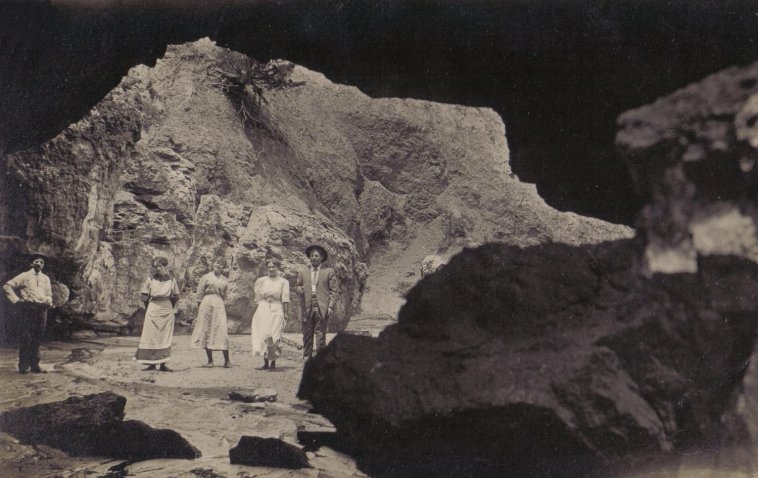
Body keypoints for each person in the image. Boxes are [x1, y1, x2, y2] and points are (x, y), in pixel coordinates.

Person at [3, 255, 53, 374]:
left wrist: (48, 300)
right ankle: (23, 366)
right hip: (28, 309)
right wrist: (17, 300)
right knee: (26, 337)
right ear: (32, 263)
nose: (39, 264)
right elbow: (7, 286)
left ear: (43, 265)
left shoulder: (46, 278)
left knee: (37, 337)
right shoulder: (24, 276)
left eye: (41, 262)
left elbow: (49, 293)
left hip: (42, 309)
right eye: (36, 261)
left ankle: (35, 365)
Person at [135, 256, 180, 372]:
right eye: (156, 266)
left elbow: (175, 297)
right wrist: (150, 309)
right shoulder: (150, 279)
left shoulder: (172, 280)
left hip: (166, 309)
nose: (158, 268)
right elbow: (144, 296)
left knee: (164, 336)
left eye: (160, 266)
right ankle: (152, 364)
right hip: (153, 308)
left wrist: (173, 310)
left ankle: (163, 364)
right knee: (151, 336)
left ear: (165, 266)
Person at [295, 244, 338, 360]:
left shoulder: (328, 272)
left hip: (322, 307)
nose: (313, 257)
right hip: (307, 307)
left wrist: (330, 307)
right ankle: (306, 357)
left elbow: (334, 291)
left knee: (320, 335)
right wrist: (299, 289)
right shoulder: (303, 271)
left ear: (322, 257)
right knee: (307, 333)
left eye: (316, 255)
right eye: (311, 255)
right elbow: (298, 286)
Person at [250, 259, 290, 370]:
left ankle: (273, 362)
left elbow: (285, 298)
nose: (271, 269)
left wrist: (286, 313)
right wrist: (263, 305)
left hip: (277, 308)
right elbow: (258, 296)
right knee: (263, 334)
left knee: (275, 335)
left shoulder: (283, 281)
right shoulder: (261, 280)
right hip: (263, 308)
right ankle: (265, 362)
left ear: (278, 267)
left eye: (273, 267)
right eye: (269, 267)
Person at [191, 259, 231, 368]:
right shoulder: (206, 277)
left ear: (223, 267)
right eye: (217, 263)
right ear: (213, 264)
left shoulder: (225, 280)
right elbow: (199, 294)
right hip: (206, 303)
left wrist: (223, 306)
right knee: (207, 330)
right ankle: (210, 361)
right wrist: (200, 311)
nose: (218, 265)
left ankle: (227, 360)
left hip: (219, 303)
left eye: (221, 264)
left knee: (222, 330)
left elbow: (226, 297)